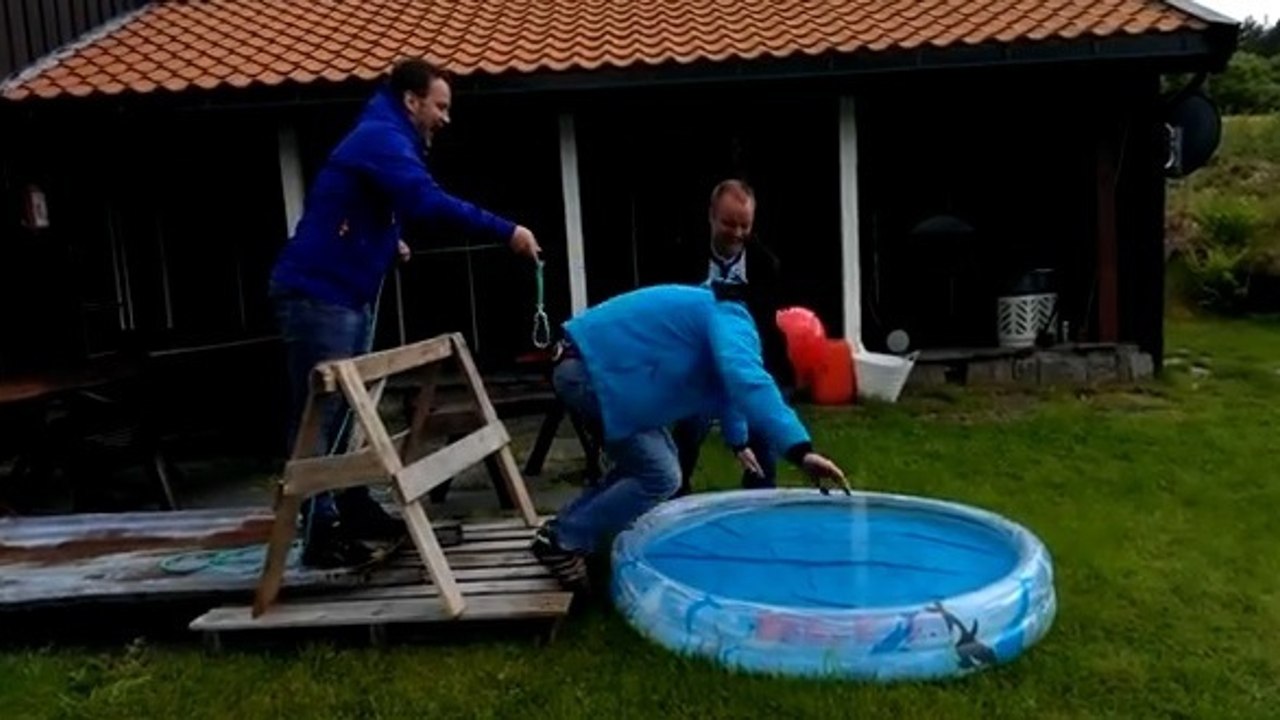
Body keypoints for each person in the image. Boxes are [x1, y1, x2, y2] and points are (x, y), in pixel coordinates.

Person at [268, 58, 541, 568]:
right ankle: (318, 532)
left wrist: (389, 241)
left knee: (351, 410)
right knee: (319, 417)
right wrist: (508, 231)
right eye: (440, 106)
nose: (446, 117)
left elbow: (360, 202)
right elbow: (423, 201)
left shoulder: (385, 137)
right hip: (318, 294)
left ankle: (351, 505)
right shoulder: (382, 137)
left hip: (347, 292)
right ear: (412, 101)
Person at [531, 283, 849, 590]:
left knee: (647, 466)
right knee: (661, 475)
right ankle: (565, 541)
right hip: (589, 371)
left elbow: (727, 389)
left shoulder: (730, 316)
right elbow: (745, 380)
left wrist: (738, 441)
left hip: (600, 370)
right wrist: (800, 450)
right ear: (785, 350)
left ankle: (563, 532)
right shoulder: (734, 321)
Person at [671, 179, 792, 496]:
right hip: (694, 363)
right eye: (729, 223)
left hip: (747, 359)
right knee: (687, 432)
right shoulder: (682, 254)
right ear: (711, 216)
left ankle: (760, 506)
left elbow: (764, 329)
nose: (737, 233)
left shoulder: (766, 265)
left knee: (761, 437)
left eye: (745, 225)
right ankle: (673, 500)